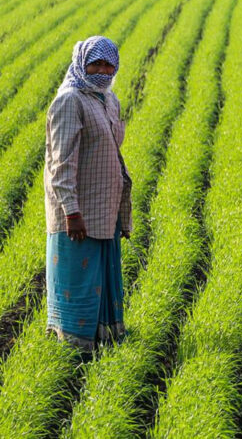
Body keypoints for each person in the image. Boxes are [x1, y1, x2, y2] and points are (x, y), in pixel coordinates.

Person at [44, 35, 132, 351]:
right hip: (78, 211)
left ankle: (104, 342)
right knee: (78, 281)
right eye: (95, 63)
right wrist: (71, 211)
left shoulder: (109, 100)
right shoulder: (70, 100)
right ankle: (72, 349)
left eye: (109, 65)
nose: (103, 70)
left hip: (104, 207)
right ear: (82, 63)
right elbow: (60, 162)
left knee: (101, 277)